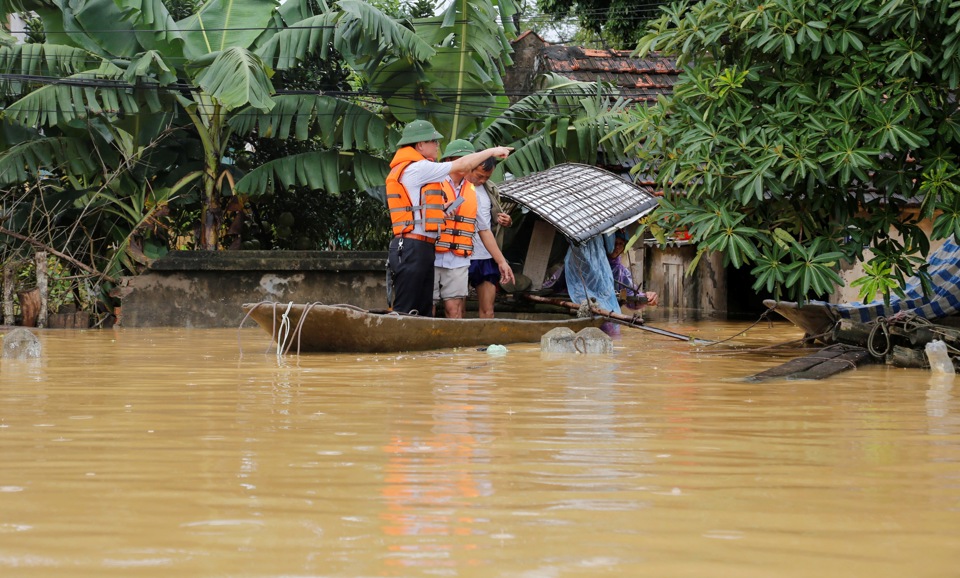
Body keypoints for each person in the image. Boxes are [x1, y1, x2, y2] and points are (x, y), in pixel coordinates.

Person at [385, 120, 511, 315]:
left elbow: (417, 209)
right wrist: (493, 151)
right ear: (420, 145)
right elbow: (462, 163)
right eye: (433, 141)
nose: (437, 145)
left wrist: (440, 212)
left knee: (423, 310)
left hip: (424, 247)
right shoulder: (418, 168)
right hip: (412, 247)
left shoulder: (422, 170)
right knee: (407, 309)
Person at [433, 140, 479, 318]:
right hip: (431, 253)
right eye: (461, 159)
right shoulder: (433, 181)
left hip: (458, 258)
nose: (465, 163)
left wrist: (501, 261)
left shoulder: (473, 189)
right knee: (428, 305)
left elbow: (483, 228)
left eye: (469, 160)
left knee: (455, 309)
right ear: (449, 160)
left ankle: (455, 346)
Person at [466, 157, 516, 318]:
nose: (481, 180)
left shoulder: (490, 189)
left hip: (486, 253)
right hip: (461, 253)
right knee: (455, 310)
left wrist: (505, 220)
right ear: (469, 167)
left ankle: (487, 343)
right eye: (479, 176)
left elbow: (490, 220)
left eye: (486, 177)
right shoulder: (455, 186)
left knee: (488, 311)